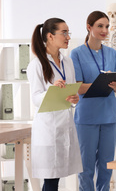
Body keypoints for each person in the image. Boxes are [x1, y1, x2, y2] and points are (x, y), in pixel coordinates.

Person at [26, 18, 82, 191]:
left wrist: (74, 99)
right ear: (50, 36)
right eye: (64, 33)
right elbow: (35, 98)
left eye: (68, 33)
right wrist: (52, 90)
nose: (68, 37)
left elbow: (72, 92)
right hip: (48, 128)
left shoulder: (68, 62)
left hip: (65, 125)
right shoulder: (36, 65)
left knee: (55, 180)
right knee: (51, 181)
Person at [70, 11, 116, 191]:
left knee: (107, 165)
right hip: (87, 117)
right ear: (89, 27)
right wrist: (99, 84)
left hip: (109, 115)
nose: (104, 30)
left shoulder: (112, 53)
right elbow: (76, 86)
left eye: (107, 26)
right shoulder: (76, 54)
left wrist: (115, 86)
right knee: (86, 167)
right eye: (100, 26)